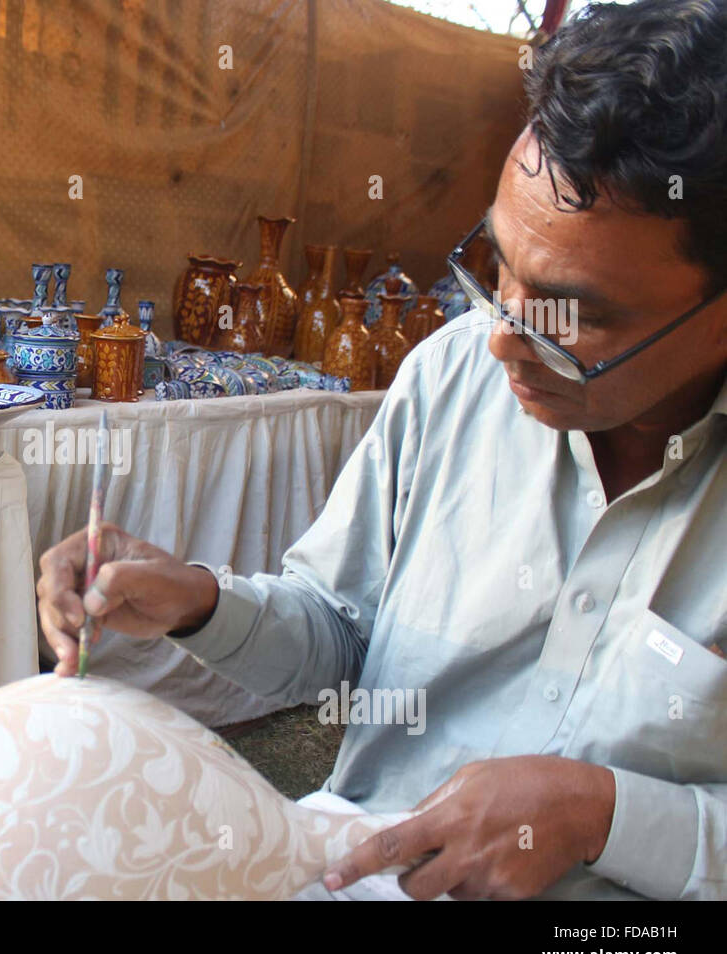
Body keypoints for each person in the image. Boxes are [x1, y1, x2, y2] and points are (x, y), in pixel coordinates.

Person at [36, 0, 727, 901]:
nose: (502, 342)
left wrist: (603, 815)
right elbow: (340, 629)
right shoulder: (449, 382)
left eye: (578, 315)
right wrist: (197, 602)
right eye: (497, 267)